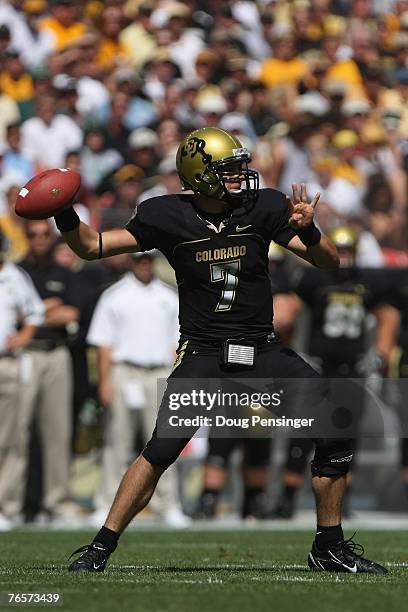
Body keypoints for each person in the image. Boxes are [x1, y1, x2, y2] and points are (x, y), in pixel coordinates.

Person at [50, 127, 386, 574]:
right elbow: (91, 247)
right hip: (204, 352)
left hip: (261, 349)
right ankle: (99, 547)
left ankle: (328, 547)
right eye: (229, 170)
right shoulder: (165, 215)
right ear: (200, 174)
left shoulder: (263, 206)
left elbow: (329, 261)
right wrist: (65, 214)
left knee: (334, 425)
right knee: (163, 448)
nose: (240, 176)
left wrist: (309, 230)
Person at [271, 225, 399, 519]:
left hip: (352, 371)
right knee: (302, 431)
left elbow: (388, 315)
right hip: (319, 368)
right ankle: (286, 499)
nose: (343, 256)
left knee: (346, 436)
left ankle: (343, 500)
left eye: (347, 251)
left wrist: (379, 355)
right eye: (339, 250)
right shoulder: (315, 278)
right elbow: (288, 311)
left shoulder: (365, 282)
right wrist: (289, 350)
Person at [86, 251, 189, 527]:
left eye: (148, 259)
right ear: (130, 261)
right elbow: (103, 344)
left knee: (166, 441)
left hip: (159, 371)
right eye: (139, 259)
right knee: (115, 441)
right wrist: (105, 381)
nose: (144, 263)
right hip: (124, 371)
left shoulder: (169, 296)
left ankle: (168, 504)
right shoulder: (114, 295)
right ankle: (106, 502)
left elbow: (176, 343)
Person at [17, 219, 80, 522]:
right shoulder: (15, 273)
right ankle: (10, 503)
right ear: (26, 236)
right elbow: (10, 315)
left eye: (45, 234)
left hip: (55, 354)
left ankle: (57, 501)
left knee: (58, 430)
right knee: (16, 431)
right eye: (33, 234)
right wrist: (47, 309)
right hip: (24, 354)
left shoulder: (63, 273)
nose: (39, 239)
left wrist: (32, 312)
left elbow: (72, 312)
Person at [0, 229, 44, 527]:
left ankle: (6, 507)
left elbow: (35, 312)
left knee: (11, 439)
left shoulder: (14, 276)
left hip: (6, 363)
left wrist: (23, 336)